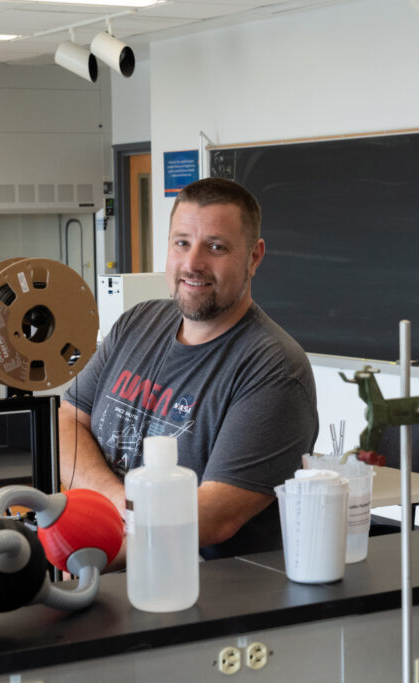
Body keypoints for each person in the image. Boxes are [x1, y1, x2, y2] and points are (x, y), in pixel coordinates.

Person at [59, 177, 319, 559]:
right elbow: (67, 422)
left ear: (254, 257)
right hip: (105, 564)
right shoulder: (137, 323)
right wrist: (119, 504)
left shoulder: (273, 370)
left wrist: (108, 516)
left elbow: (211, 517)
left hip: (206, 599)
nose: (193, 264)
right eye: (182, 243)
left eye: (216, 247)